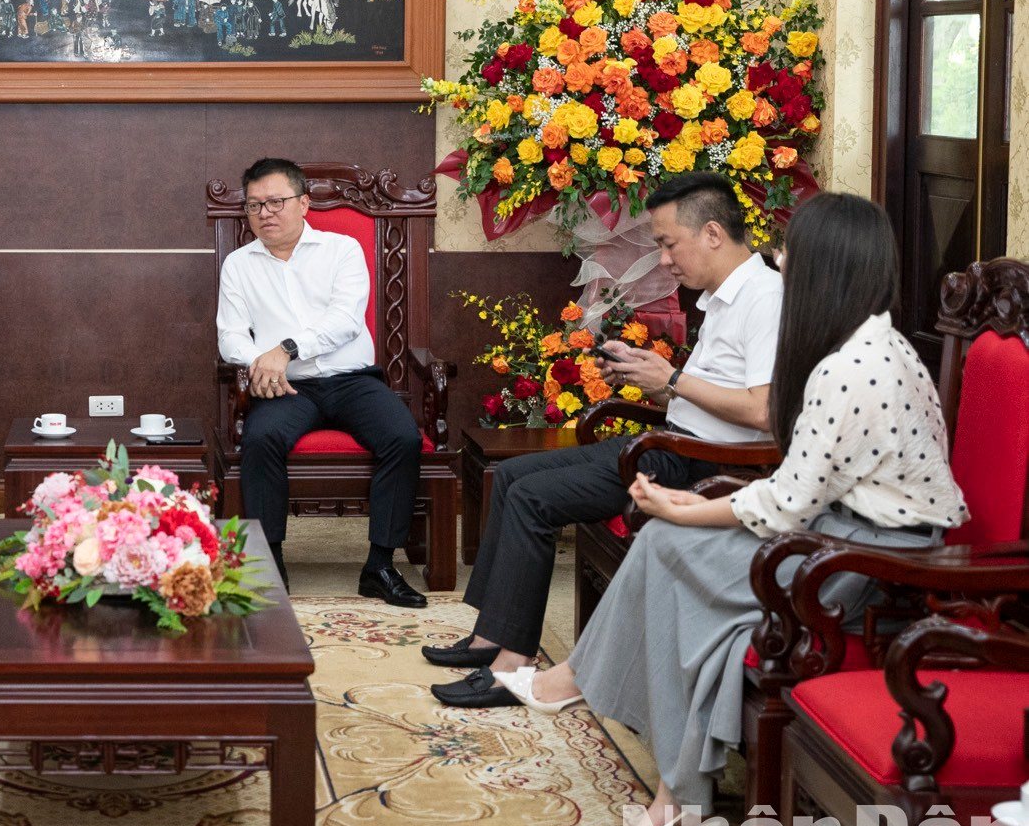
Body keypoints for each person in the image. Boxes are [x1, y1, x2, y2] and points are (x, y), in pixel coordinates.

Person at [505, 194, 966, 826]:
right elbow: (801, 487)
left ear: (822, 270)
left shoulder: (853, 366)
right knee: (671, 543)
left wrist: (690, 506)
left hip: (871, 560)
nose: (780, 267)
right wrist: (690, 511)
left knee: (674, 551)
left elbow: (789, 502)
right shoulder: (868, 342)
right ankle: (666, 784)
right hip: (842, 530)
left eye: (790, 257)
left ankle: (657, 774)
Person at [431, 172, 783, 707]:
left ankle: (512, 663)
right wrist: (655, 380)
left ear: (712, 233)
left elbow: (762, 410)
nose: (664, 260)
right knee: (511, 476)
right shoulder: (722, 296)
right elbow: (706, 394)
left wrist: (669, 380)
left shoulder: (765, 298)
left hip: (701, 464)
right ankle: (491, 638)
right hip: (674, 439)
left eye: (668, 243)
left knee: (533, 497)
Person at [216, 158, 427, 607]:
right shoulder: (238, 265)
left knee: (402, 437)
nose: (265, 212)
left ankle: (381, 566)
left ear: (304, 203)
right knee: (261, 438)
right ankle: (270, 564)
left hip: (352, 381)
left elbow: (345, 322)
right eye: (254, 205)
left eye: (276, 201)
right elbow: (229, 335)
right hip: (286, 388)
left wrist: (284, 350)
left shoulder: (342, 250)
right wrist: (262, 364)